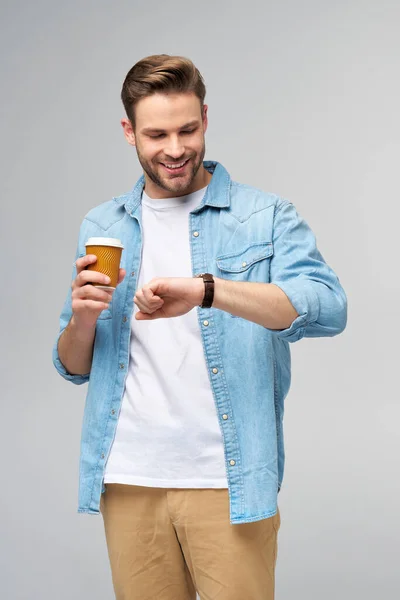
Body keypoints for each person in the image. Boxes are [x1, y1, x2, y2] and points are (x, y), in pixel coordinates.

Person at [53, 54, 347, 600]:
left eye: (188, 129)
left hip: (225, 479)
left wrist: (207, 290)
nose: (175, 148)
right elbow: (74, 367)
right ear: (129, 133)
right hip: (129, 478)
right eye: (157, 133)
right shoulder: (103, 226)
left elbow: (327, 308)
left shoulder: (264, 216)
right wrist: (84, 317)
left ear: (206, 119)